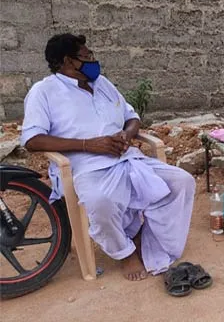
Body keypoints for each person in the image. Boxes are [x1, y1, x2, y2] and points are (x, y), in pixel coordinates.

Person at [20, 34, 196, 281]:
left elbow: (132, 117)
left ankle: (145, 236)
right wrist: (88, 145)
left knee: (182, 182)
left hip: (127, 158)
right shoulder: (44, 91)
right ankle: (124, 253)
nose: (94, 60)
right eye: (87, 55)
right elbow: (32, 140)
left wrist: (127, 134)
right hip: (84, 166)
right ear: (68, 62)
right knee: (100, 200)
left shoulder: (102, 83)